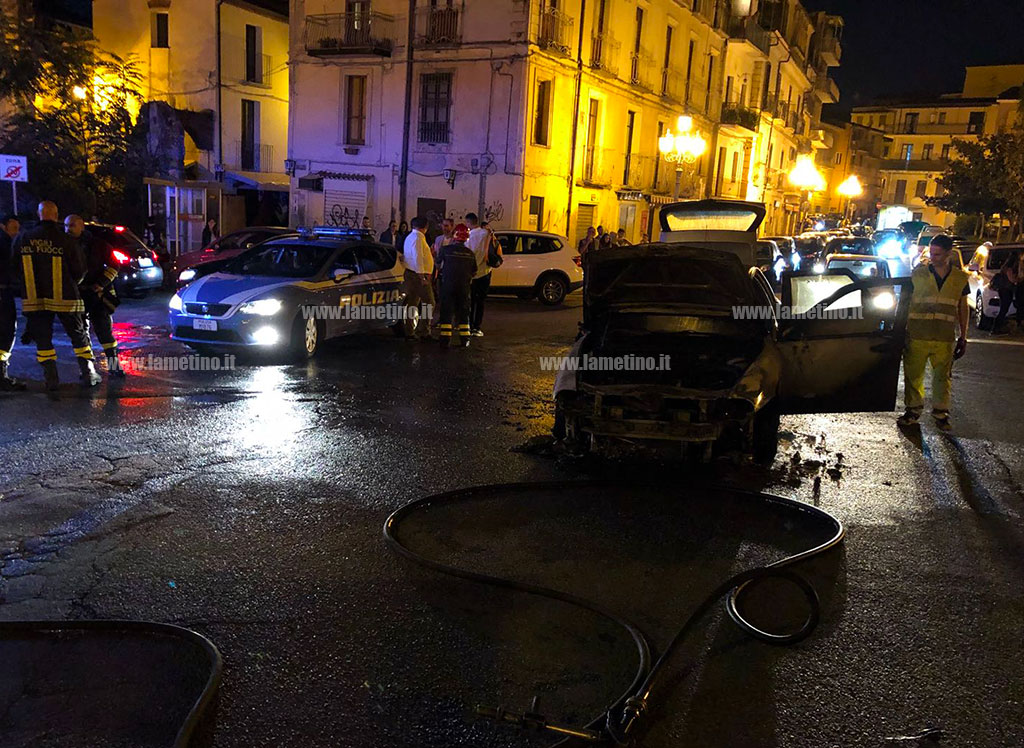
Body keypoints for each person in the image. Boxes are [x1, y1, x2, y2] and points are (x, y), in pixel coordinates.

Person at [12, 201, 100, 390]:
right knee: (78, 336)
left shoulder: (23, 238)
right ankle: (88, 374)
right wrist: (71, 285)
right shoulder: (66, 240)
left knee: (43, 339)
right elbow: (80, 269)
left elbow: (14, 267)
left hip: (35, 300)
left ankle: (51, 380)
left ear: (39, 214)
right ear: (56, 215)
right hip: (66, 299)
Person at [898, 234, 969, 431]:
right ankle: (913, 411)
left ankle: (941, 413)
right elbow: (904, 303)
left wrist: (964, 336)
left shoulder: (960, 278)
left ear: (948, 254)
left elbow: (963, 308)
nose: (933, 257)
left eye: (937, 254)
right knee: (914, 376)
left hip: (944, 338)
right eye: (931, 252)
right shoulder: (918, 274)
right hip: (917, 334)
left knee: (942, 378)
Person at [65, 214, 124, 377]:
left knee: (104, 331)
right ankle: (88, 370)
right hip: (77, 294)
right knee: (80, 333)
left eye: (71, 226)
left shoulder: (98, 244)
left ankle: (114, 366)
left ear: (81, 226)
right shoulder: (64, 246)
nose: (67, 229)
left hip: (97, 294)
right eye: (65, 226)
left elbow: (114, 264)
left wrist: (101, 284)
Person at [436, 223, 477, 349]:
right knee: (464, 313)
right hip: (464, 288)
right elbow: (474, 271)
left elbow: (438, 264)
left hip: (448, 286)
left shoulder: (446, 250)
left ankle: (445, 339)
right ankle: (464, 339)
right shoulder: (470, 253)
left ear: (455, 236)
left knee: (446, 312)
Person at [0, 215, 26, 390]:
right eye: (13, 227)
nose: (16, 231)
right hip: (2, 292)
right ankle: (2, 376)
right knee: (7, 331)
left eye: (18, 227)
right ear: (3, 226)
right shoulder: (4, 243)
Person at [466, 212, 500, 337]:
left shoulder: (469, 236)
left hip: (472, 273)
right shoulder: (487, 233)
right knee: (480, 301)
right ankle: (477, 327)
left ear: (469, 222)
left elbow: (468, 254)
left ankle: (468, 325)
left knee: (470, 301)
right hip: (485, 272)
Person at [400, 216, 435, 339]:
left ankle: (409, 330)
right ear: (425, 227)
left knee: (413, 302)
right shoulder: (418, 238)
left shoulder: (410, 237)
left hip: (410, 273)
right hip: (418, 275)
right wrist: (422, 277)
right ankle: (424, 330)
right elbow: (418, 258)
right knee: (429, 302)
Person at [990, 252, 1019, 336]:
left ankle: (997, 328)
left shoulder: (1005, 267)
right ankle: (996, 328)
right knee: (1003, 310)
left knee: (1003, 310)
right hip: (1005, 291)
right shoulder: (1009, 268)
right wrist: (1018, 280)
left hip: (1004, 290)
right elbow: (1012, 280)